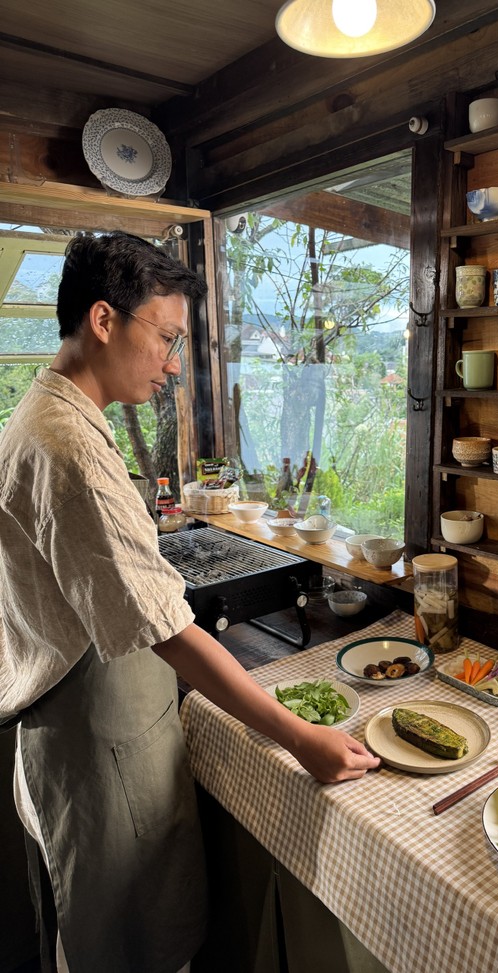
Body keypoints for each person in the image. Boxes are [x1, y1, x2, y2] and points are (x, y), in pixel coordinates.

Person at [0, 231, 379, 973]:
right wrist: (301, 737)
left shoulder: (44, 412)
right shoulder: (68, 447)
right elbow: (169, 630)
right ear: (104, 320)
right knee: (129, 951)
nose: (174, 362)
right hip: (97, 745)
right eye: (167, 337)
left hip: (82, 731)